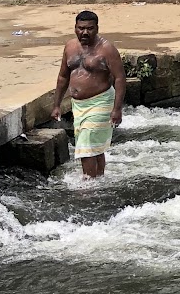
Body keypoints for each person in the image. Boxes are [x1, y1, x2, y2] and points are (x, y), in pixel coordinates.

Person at [51, 11, 126, 179]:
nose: (85, 32)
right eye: (81, 28)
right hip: (78, 105)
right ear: (75, 28)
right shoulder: (70, 46)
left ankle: (88, 184)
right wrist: (56, 104)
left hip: (101, 101)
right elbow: (63, 76)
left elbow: (120, 78)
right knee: (94, 146)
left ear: (97, 28)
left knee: (86, 146)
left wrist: (117, 109)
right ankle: (99, 179)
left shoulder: (107, 49)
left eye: (90, 29)